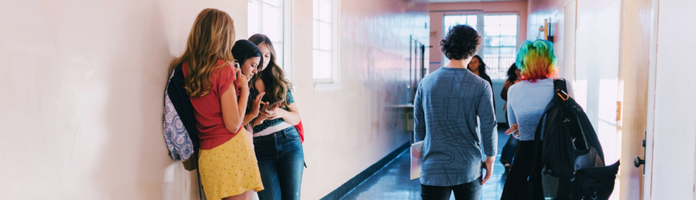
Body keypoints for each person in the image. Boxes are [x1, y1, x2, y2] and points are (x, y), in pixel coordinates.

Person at [172, 9, 265, 200]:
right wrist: (244, 89)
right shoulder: (224, 68)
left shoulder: (185, 68)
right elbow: (232, 124)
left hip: (207, 155)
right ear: (223, 36)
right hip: (232, 152)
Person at [413, 24, 497, 200]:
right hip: (467, 166)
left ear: (446, 48)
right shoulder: (481, 85)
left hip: (432, 166)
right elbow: (489, 125)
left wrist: (417, 164)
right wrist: (490, 158)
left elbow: (419, 128)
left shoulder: (425, 83)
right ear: (473, 50)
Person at [500, 39, 574, 200]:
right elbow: (571, 122)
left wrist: (527, 125)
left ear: (523, 63)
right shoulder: (562, 86)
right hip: (557, 155)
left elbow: (516, 133)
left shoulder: (514, 90)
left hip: (526, 157)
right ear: (550, 61)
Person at [247, 33, 304, 200]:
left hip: (289, 142)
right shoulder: (243, 81)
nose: (263, 60)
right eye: (259, 54)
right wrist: (259, 117)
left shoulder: (278, 81)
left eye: (267, 55)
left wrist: (279, 112)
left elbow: (296, 118)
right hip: (261, 147)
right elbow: (241, 125)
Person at [499, 64, 522, 171]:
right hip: (511, 112)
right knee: (515, 136)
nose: (519, 72)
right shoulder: (510, 80)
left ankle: (507, 159)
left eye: (521, 69)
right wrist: (509, 86)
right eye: (517, 69)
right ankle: (506, 158)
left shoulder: (528, 81)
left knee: (518, 137)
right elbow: (503, 95)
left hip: (523, 112)